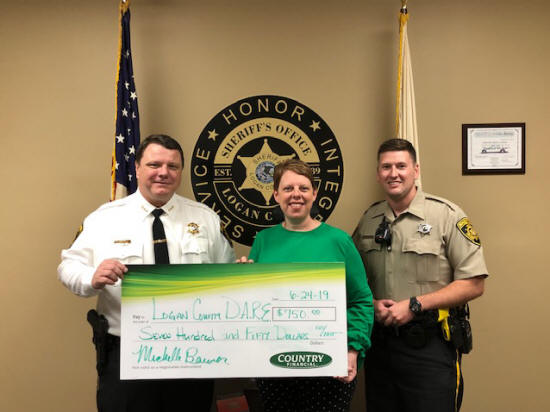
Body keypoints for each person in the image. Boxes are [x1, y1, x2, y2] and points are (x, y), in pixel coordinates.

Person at [58, 134, 235, 412]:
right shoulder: (105, 218)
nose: (163, 172)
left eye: (172, 166)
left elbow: (227, 276)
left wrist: (241, 279)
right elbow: (68, 266)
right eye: (154, 165)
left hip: (192, 352)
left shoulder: (206, 219)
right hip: (126, 351)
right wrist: (92, 277)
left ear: (180, 171)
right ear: (137, 168)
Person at [352, 138, 488, 412]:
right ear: (378, 174)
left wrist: (415, 305)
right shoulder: (369, 219)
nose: (394, 173)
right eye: (386, 167)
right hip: (380, 345)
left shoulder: (446, 215)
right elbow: (353, 278)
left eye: (401, 166)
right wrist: (372, 304)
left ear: (416, 170)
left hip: (430, 344)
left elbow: (474, 283)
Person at [238, 159, 374, 412]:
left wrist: (353, 349)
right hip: (275, 365)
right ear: (276, 195)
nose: (296, 194)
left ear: (314, 194)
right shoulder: (264, 240)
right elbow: (253, 306)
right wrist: (240, 281)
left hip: (329, 364)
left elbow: (361, 301)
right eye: (288, 188)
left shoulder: (339, 241)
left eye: (303, 188)